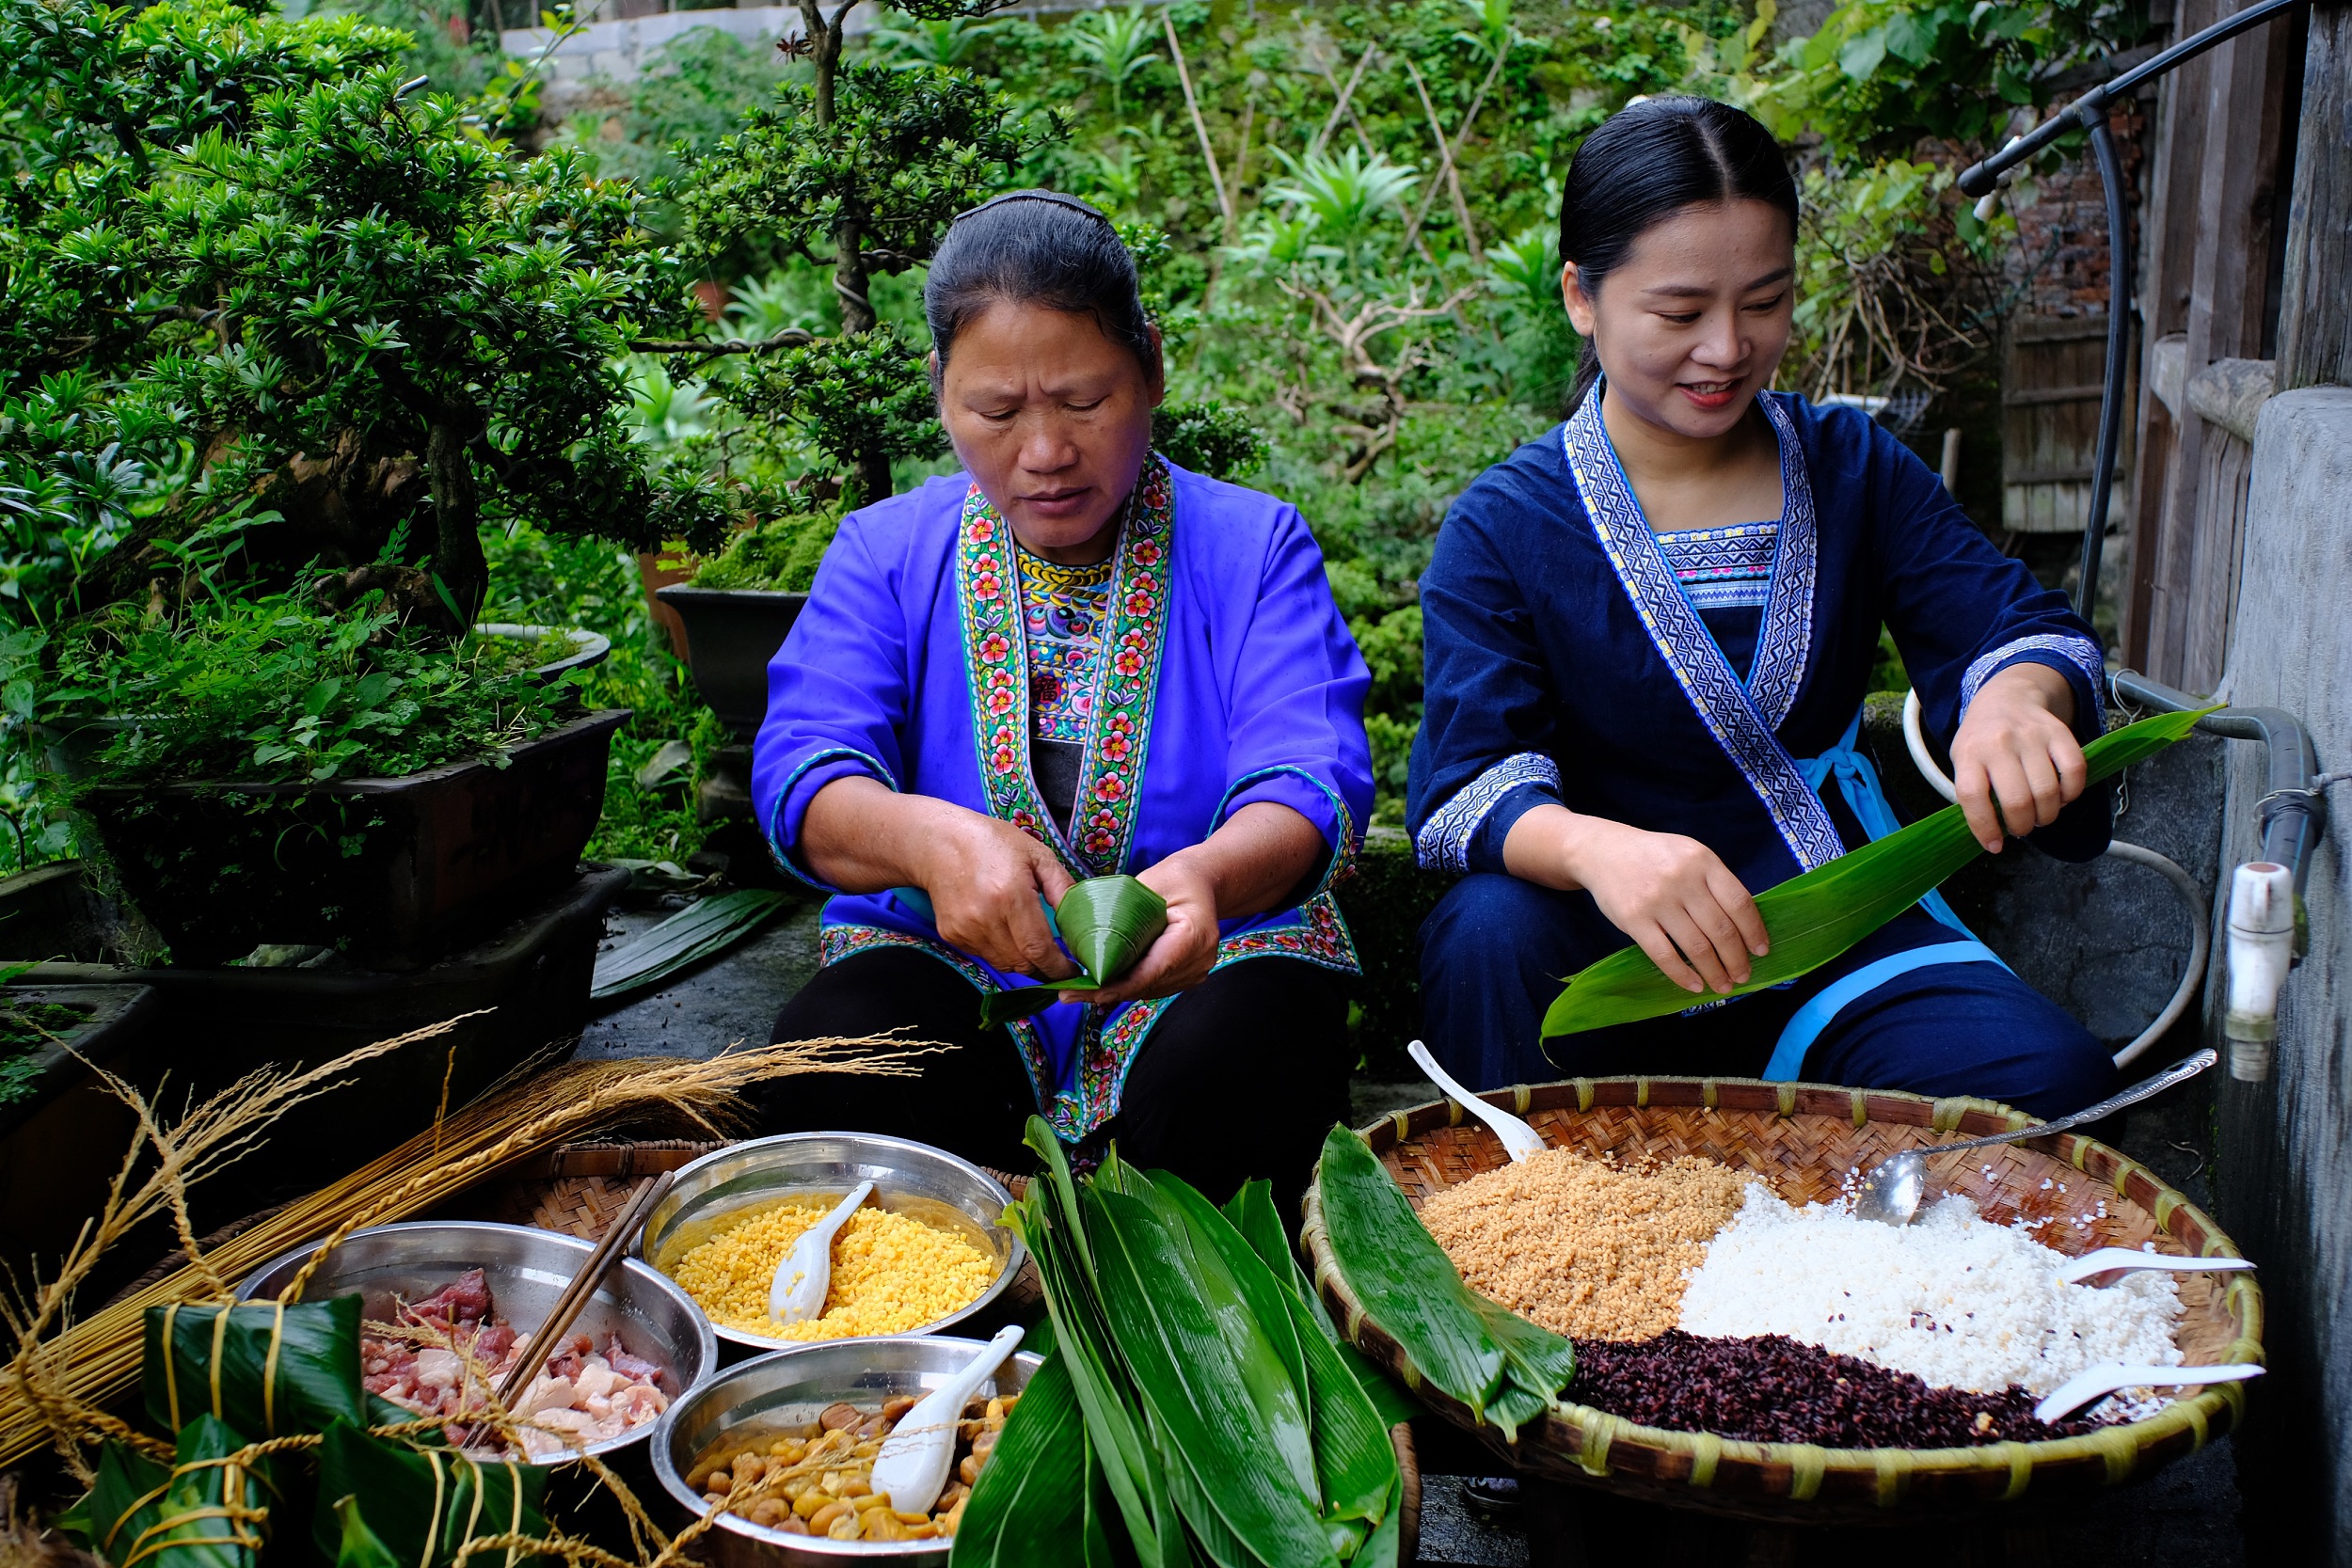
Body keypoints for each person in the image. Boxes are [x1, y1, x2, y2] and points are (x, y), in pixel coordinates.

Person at [1408, 97, 2117, 1119]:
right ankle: (1525, 1256)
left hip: (1828, 926)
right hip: (1603, 944)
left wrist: (2016, 699)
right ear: (1581, 297)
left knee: (2051, 1086)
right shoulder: (1504, 525)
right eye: (1679, 311)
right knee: (1484, 930)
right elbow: (1470, 782)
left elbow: (2004, 624)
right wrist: (1598, 849)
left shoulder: (1853, 467)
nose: (1727, 348)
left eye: (1765, 301)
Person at [751, 191, 1374, 1204]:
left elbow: (1310, 773)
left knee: (1242, 1069)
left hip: (1214, 954)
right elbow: (804, 770)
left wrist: (1211, 878)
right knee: (836, 1064)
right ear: (941, 392)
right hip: (949, 960)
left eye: (1084, 401)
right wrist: (929, 844)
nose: (1043, 451)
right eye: (995, 412)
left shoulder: (1251, 548)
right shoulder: (882, 552)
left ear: (1152, 368)